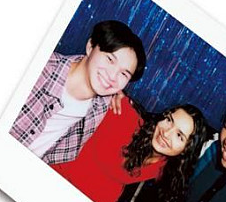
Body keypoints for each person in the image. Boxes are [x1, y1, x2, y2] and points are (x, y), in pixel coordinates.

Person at [10, 20, 146, 165]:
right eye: (110, 59)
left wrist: (120, 94)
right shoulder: (39, 68)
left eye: (124, 74)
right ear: (90, 47)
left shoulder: (102, 104)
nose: (113, 76)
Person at [51, 97, 208, 202]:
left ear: (186, 150)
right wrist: (114, 93)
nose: (166, 133)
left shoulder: (165, 170)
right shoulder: (125, 114)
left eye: (179, 135)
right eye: (169, 120)